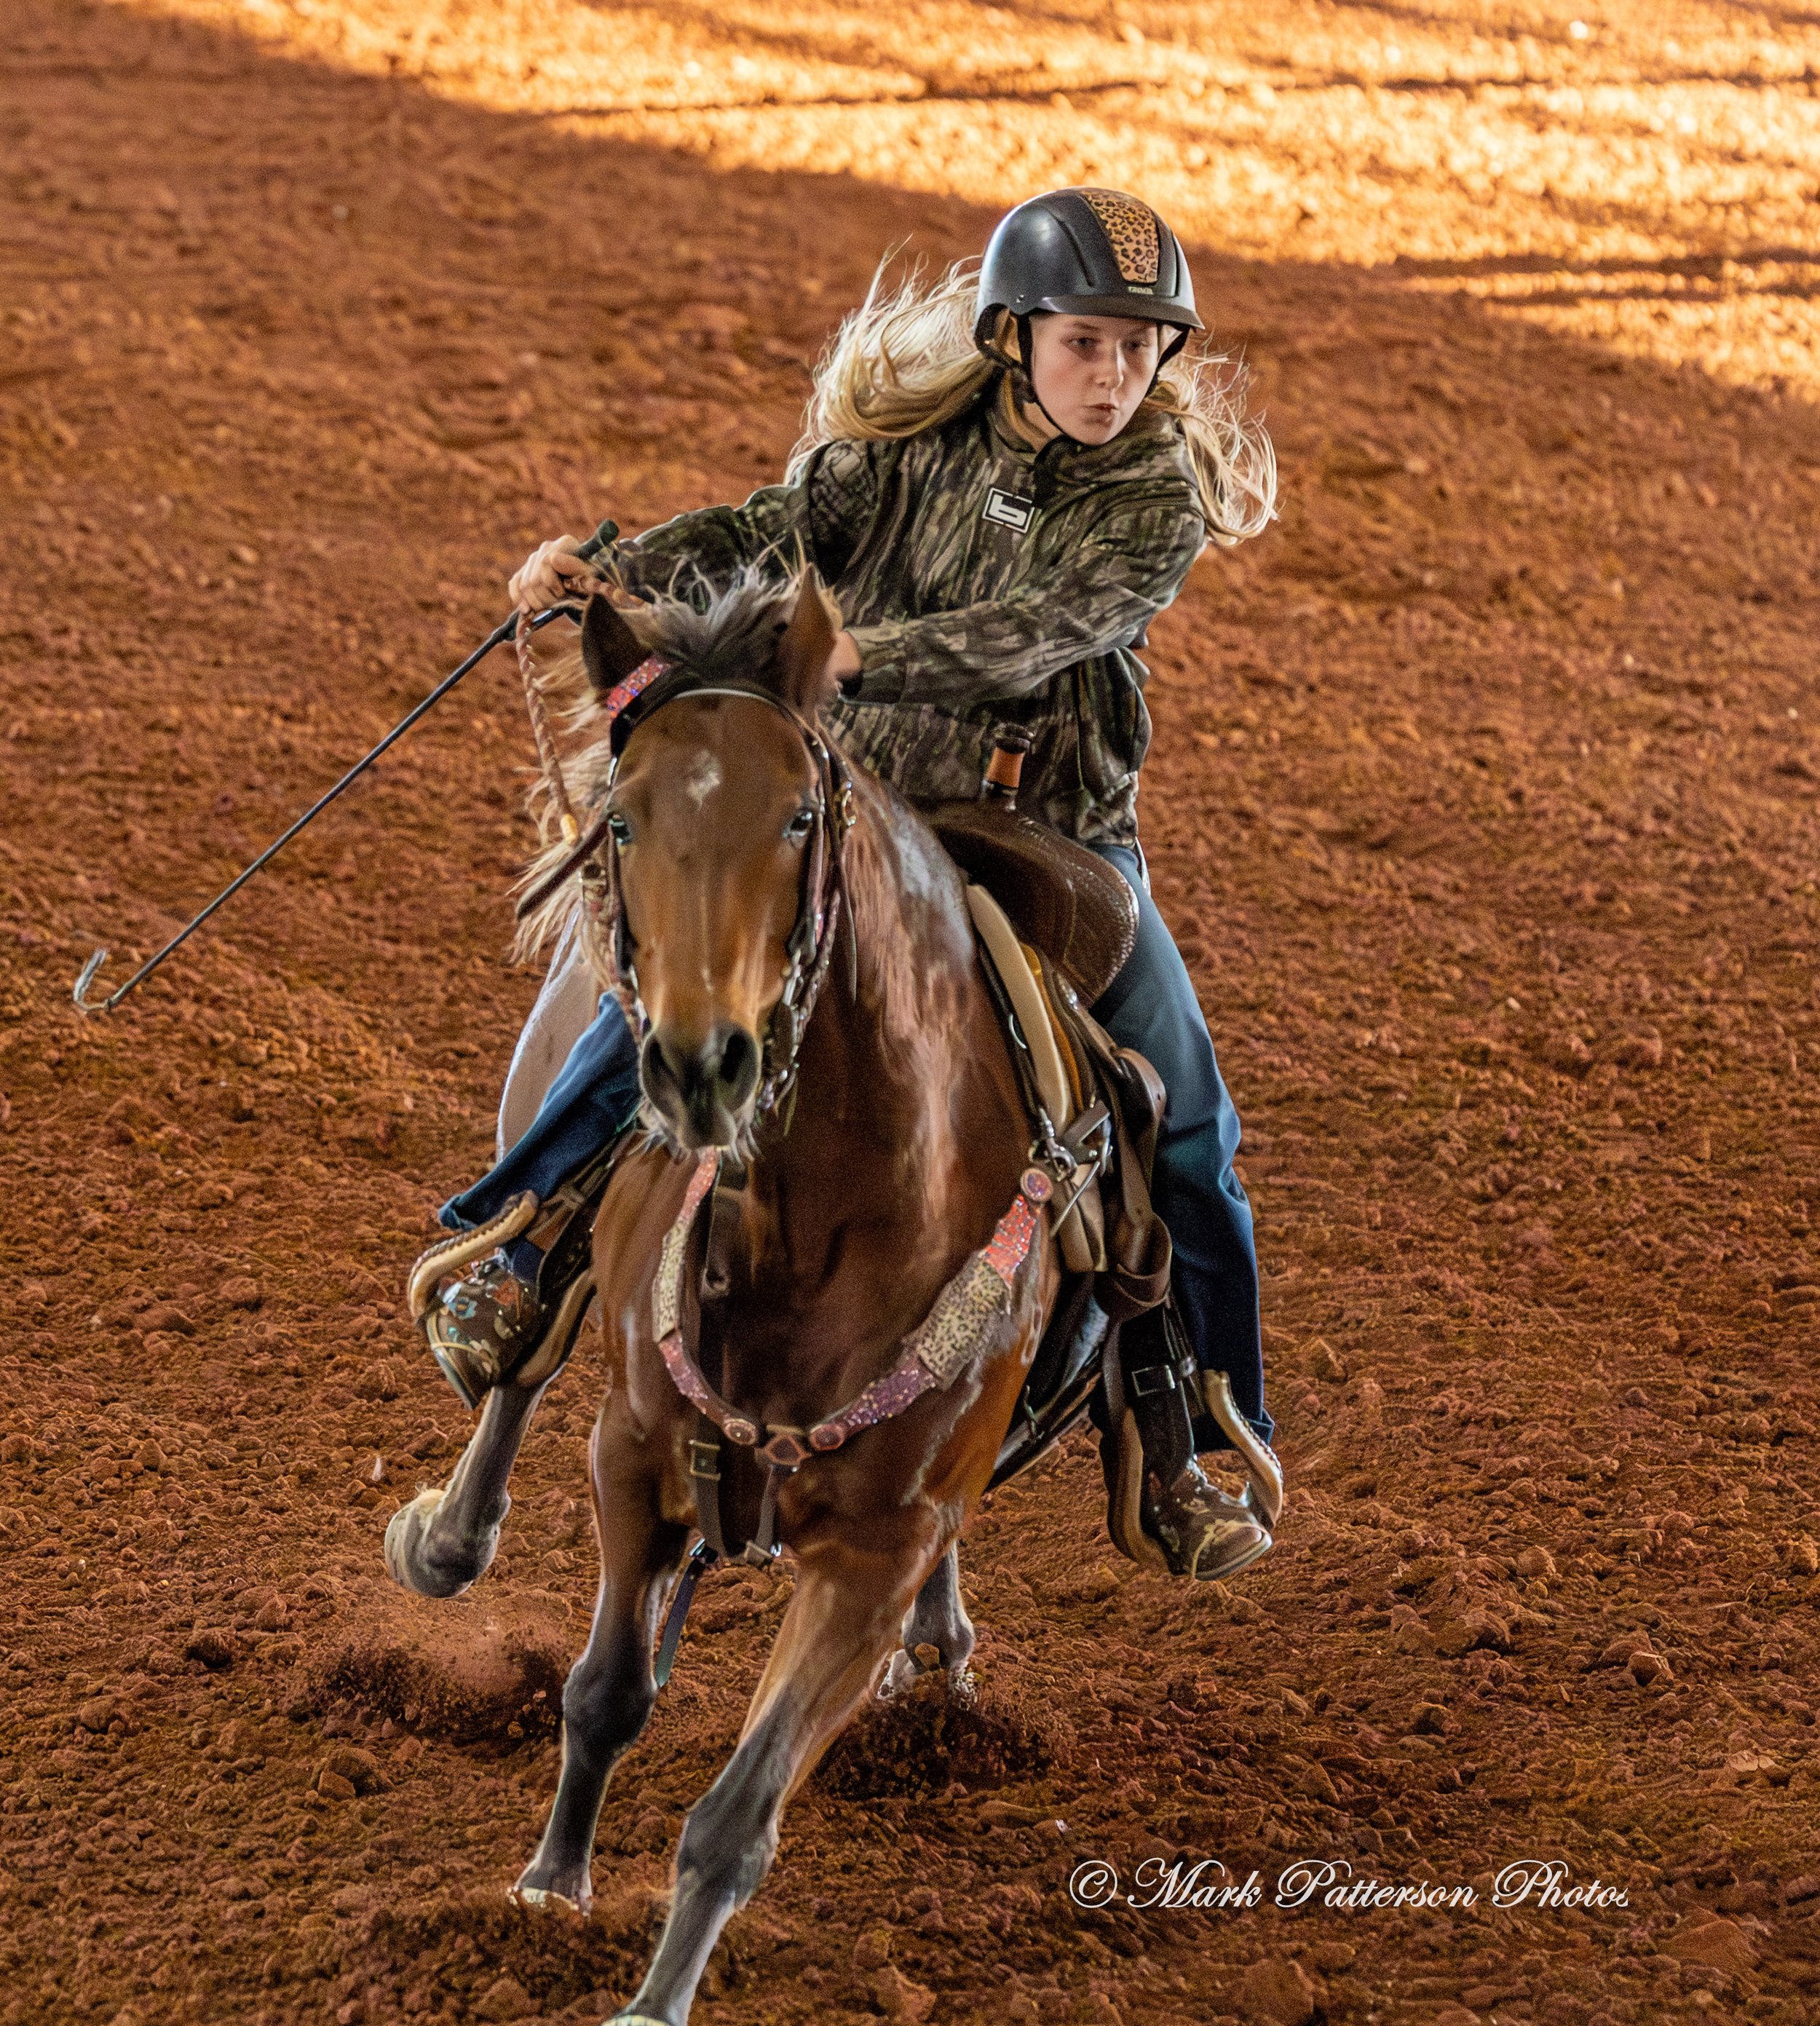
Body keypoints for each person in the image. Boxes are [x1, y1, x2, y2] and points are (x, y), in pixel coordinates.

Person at [416, 186, 1280, 1580]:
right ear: (1013, 337)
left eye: (1141, 348)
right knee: (677, 995)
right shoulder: (903, 448)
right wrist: (613, 569)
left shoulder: (1155, 496)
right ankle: (517, 1255)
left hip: (1045, 837)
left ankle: (1194, 1433)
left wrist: (867, 653)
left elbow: (1041, 634)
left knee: (1188, 1130)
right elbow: (770, 527)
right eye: (1087, 343)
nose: (1116, 376)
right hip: (864, 803)